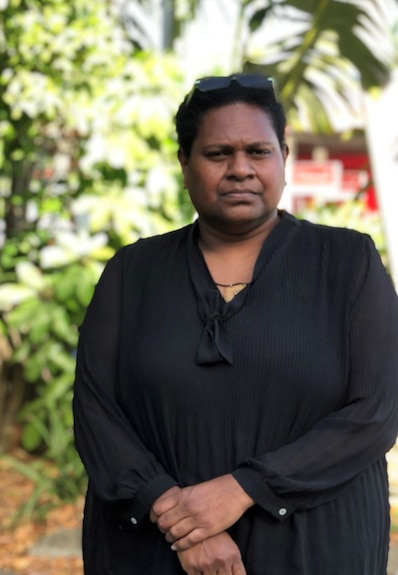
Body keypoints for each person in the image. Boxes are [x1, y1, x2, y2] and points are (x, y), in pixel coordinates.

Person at [72, 73, 398, 575]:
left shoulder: (346, 262)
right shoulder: (132, 272)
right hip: (154, 551)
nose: (240, 169)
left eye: (258, 152)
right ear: (185, 163)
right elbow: (95, 411)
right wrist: (178, 518)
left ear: (284, 159)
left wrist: (242, 489)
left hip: (315, 549)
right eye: (218, 153)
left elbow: (376, 411)